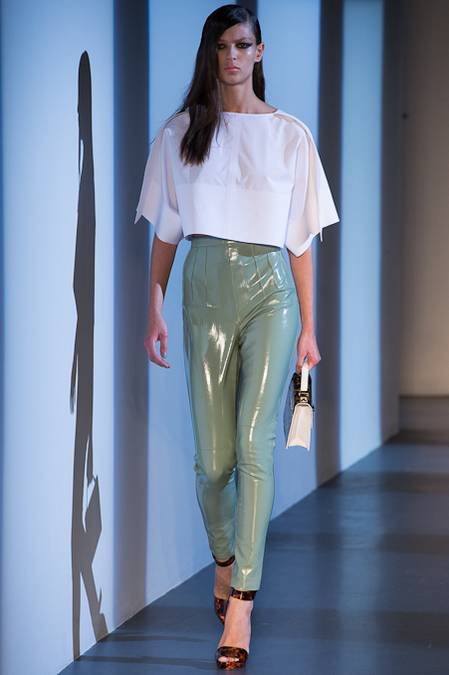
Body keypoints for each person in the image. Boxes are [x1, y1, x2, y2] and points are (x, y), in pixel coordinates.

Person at [136, 5, 339, 670]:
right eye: (222, 45)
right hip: (203, 287)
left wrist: (309, 325)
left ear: (259, 51)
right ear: (211, 52)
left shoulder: (290, 135)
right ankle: (225, 560)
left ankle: (243, 602)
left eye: (243, 44)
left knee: (255, 445)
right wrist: (153, 306)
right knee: (213, 461)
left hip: (270, 292)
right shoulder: (180, 132)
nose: (232, 56)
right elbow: (167, 231)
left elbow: (300, 241)